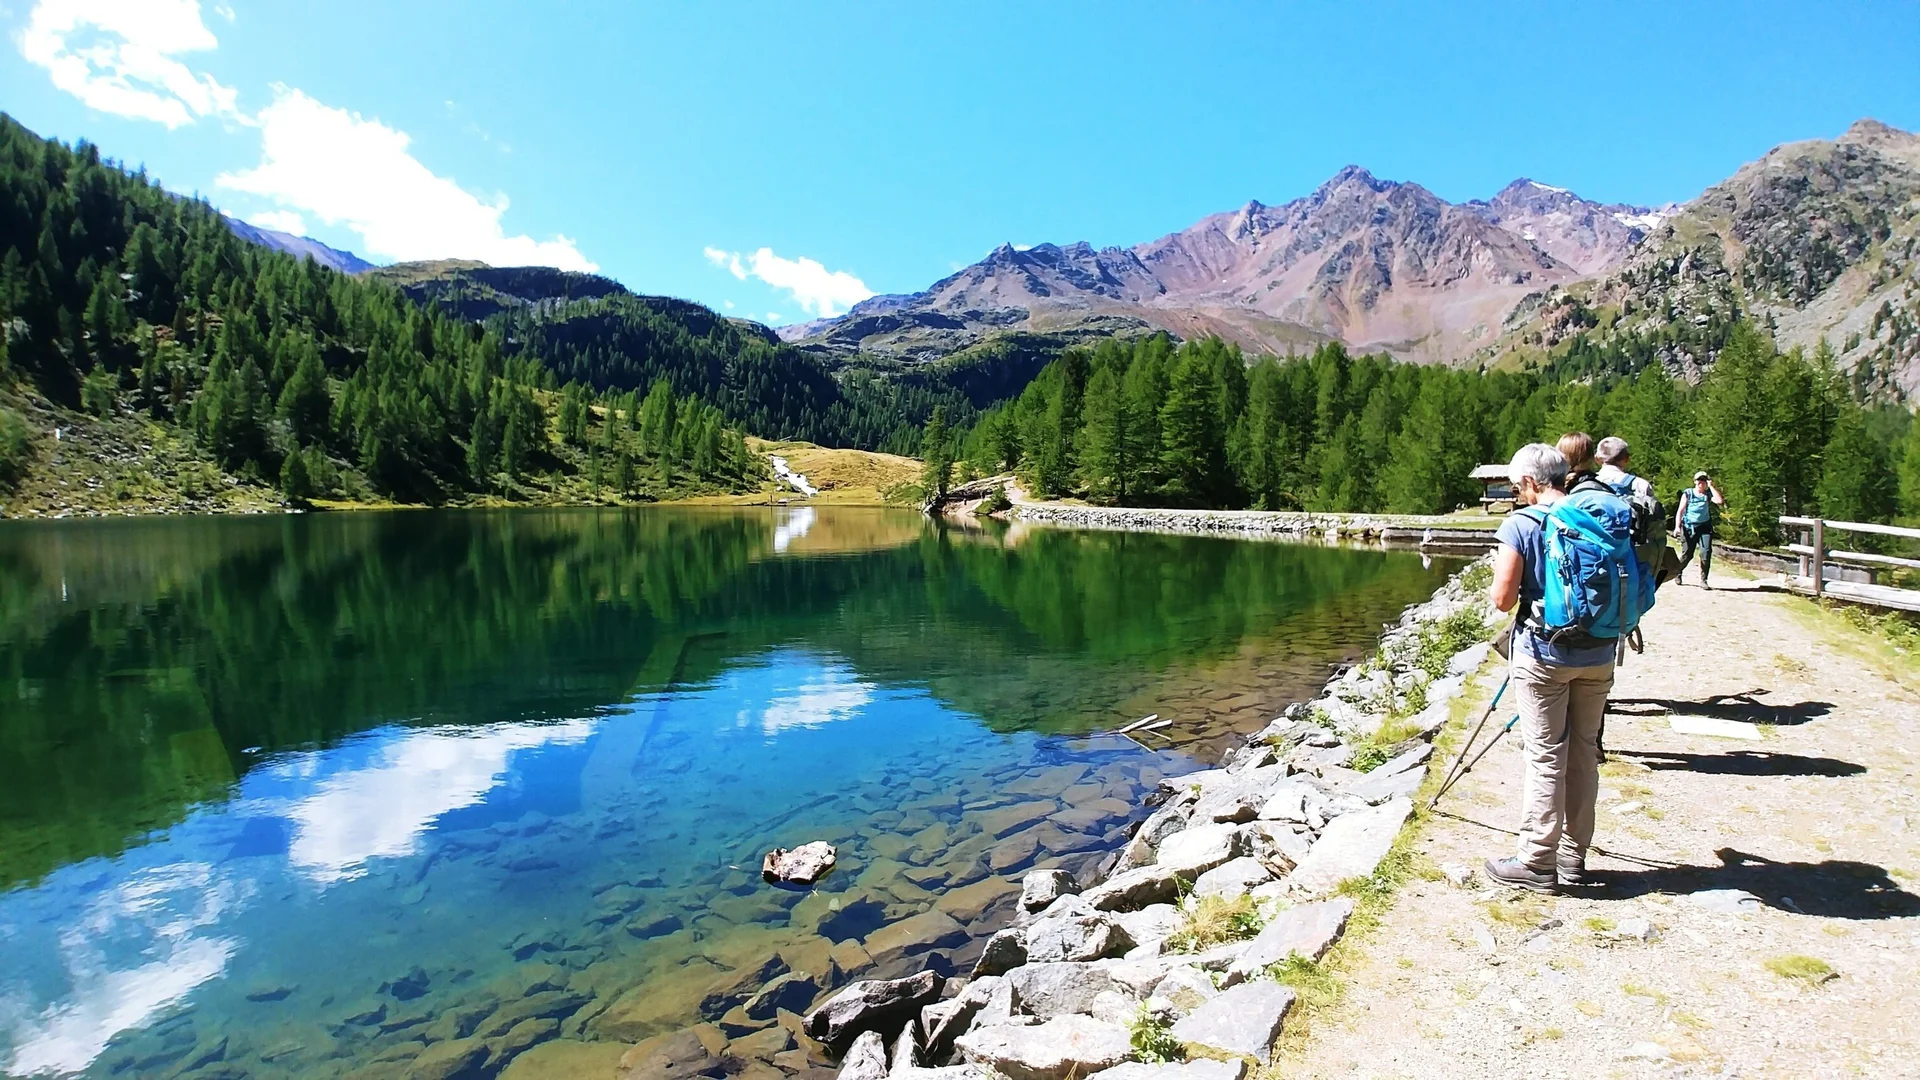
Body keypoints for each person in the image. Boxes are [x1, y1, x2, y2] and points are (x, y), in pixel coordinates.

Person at [1484, 443, 1617, 893]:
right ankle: (1574, 858)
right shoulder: (1596, 513)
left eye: (1516, 484)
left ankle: (1537, 861)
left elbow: (1503, 598)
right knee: (1584, 752)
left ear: (1527, 482)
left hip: (1545, 656)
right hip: (1599, 652)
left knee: (1545, 755)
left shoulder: (1522, 523)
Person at [1674, 471, 1725, 588]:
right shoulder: (1688, 493)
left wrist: (1711, 486)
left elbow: (1719, 501)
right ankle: (1677, 571)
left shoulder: (1708, 494)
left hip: (1704, 527)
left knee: (1706, 553)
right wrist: (1677, 526)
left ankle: (1704, 580)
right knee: (1687, 554)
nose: (1701, 483)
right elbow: (1680, 511)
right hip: (1689, 527)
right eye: (1699, 480)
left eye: (1704, 480)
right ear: (1695, 481)